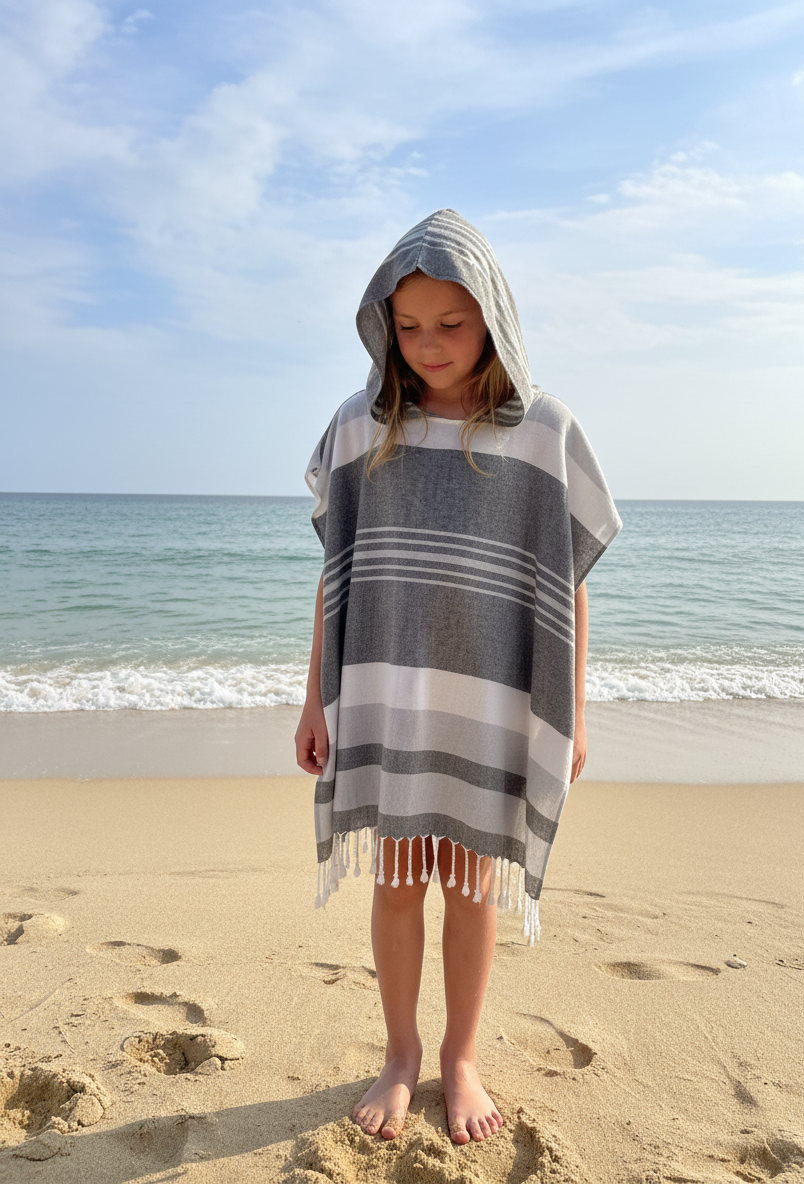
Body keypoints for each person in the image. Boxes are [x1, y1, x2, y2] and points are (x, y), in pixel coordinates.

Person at [295, 209, 621, 1145]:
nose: (429, 345)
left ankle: (459, 1059)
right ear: (382, 325)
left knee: (474, 885)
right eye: (409, 326)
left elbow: (567, 580)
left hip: (488, 703)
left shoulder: (542, 431)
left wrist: (574, 714)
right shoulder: (365, 427)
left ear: (493, 319)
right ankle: (401, 1054)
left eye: (452, 323)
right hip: (388, 696)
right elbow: (338, 570)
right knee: (397, 882)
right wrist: (316, 695)